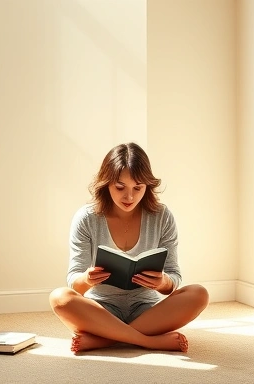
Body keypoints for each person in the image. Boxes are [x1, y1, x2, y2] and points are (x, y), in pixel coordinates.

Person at [49, 142, 209, 353]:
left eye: (138, 188)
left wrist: (162, 282)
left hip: (146, 310)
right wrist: (87, 279)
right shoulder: (86, 218)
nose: (129, 197)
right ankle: (149, 341)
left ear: (147, 186)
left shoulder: (162, 216)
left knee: (199, 294)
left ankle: (106, 339)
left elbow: (173, 279)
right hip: (101, 309)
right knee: (59, 298)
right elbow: (73, 284)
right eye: (120, 187)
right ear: (106, 184)